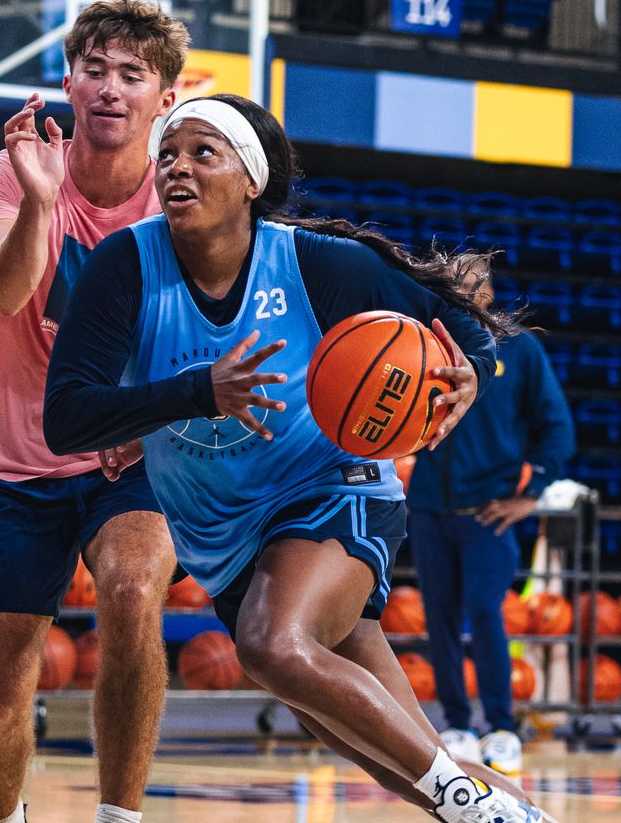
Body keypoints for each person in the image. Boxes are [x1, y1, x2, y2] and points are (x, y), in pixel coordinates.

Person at [44, 95, 553, 823]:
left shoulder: (315, 264)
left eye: (202, 153)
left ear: (251, 179)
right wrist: (192, 392)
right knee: (409, 761)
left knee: (270, 642)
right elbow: (65, 418)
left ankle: (467, 804)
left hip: (329, 490)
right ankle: (498, 808)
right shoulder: (124, 266)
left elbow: (458, 321)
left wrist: (471, 372)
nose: (176, 167)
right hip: (225, 540)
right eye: (167, 156)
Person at [0, 0, 188, 823]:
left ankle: (119, 815)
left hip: (129, 457)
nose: (111, 89)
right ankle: (1, 816)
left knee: (129, 590)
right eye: (96, 70)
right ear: (68, 81)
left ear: (167, 96)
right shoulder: (2, 174)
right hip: (19, 452)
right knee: (1, 693)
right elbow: (9, 292)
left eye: (133, 74)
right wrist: (43, 203)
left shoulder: (182, 200)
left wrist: (146, 420)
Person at [406, 267, 575, 779]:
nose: (465, 293)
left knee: (485, 615)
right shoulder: (423, 344)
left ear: (491, 293)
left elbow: (557, 427)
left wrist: (530, 496)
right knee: (438, 621)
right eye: (455, 285)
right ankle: (457, 725)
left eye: (474, 285)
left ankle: (501, 726)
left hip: (488, 513)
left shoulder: (520, 350)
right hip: (430, 508)